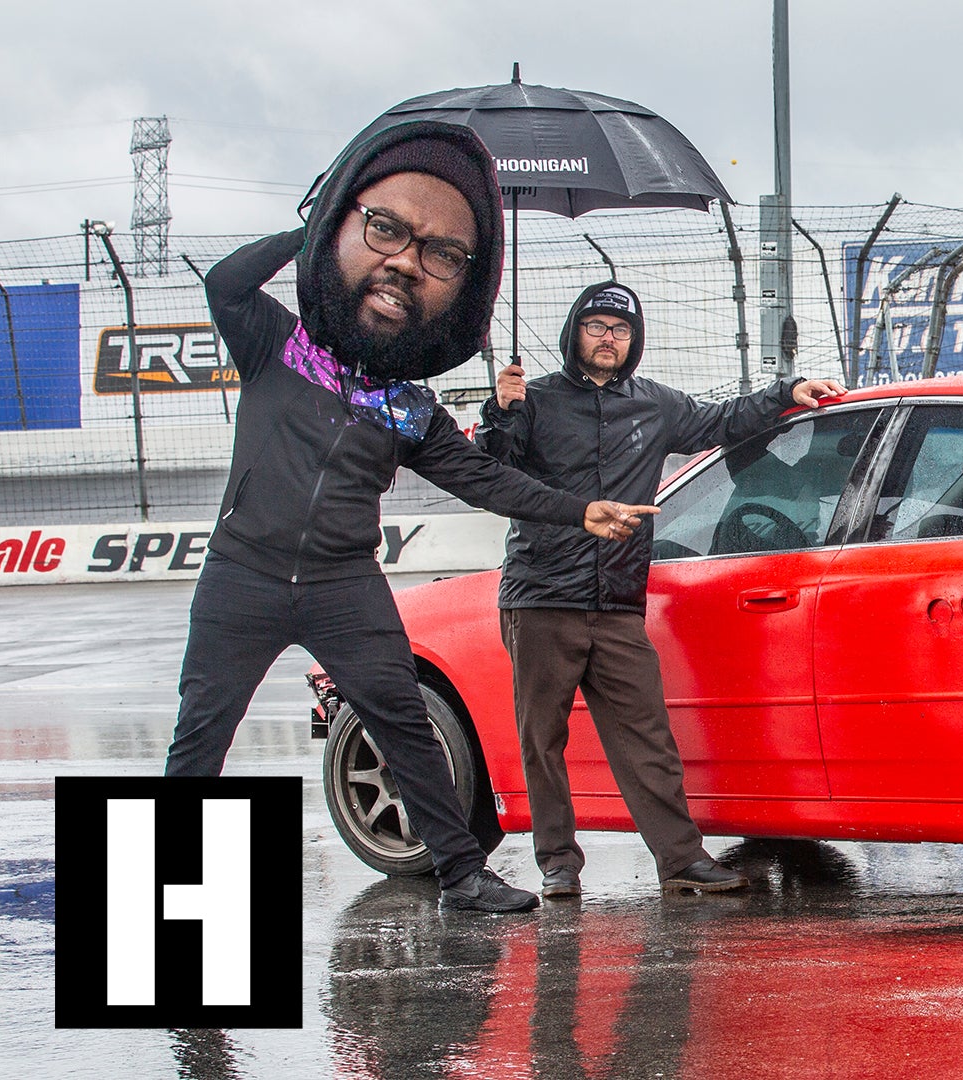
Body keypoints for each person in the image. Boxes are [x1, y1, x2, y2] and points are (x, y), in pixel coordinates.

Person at [164, 120, 655, 913]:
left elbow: (488, 481)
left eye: (431, 258)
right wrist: (316, 225)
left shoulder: (407, 409)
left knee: (403, 724)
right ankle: (168, 902)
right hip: (241, 572)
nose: (398, 268)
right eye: (382, 234)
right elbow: (224, 284)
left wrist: (577, 511)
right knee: (202, 733)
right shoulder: (275, 346)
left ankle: (461, 873)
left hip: (341, 584)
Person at [476, 280, 846, 898]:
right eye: (596, 326)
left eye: (620, 330)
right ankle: (558, 863)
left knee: (647, 736)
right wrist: (502, 411)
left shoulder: (654, 404)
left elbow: (724, 420)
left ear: (635, 340)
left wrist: (787, 392)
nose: (608, 339)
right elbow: (495, 470)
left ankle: (680, 860)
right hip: (541, 596)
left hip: (618, 601)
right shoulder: (534, 399)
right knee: (542, 738)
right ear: (574, 333)